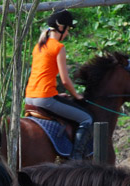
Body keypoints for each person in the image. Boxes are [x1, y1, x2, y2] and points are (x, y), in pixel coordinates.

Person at [24, 9, 93, 160]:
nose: (67, 33)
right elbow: (65, 80)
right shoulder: (58, 47)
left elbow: (42, 74)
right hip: (44, 98)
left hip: (29, 98)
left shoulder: (38, 46)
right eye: (67, 30)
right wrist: (77, 96)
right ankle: (76, 158)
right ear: (60, 28)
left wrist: (56, 95)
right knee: (86, 118)